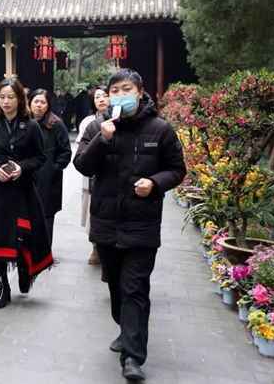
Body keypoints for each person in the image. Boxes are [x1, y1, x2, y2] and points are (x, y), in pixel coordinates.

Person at [73, 69, 186, 381]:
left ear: (140, 92)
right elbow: (82, 164)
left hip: (142, 224)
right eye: (115, 90)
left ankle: (133, 357)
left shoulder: (161, 129)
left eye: (127, 89)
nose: (121, 94)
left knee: (135, 288)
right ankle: (126, 328)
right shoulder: (97, 126)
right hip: (107, 224)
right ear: (108, 96)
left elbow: (177, 170)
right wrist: (102, 138)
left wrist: (154, 182)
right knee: (116, 289)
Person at [0, 78, 52, 309]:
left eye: (11, 97)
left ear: (20, 99)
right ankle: (3, 286)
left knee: (24, 236)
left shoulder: (32, 126)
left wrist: (21, 168)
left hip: (23, 189)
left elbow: (40, 157)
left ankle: (25, 270)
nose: (6, 101)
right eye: (2, 97)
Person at [28, 88, 72, 245]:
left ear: (48, 105)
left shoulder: (55, 124)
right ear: (29, 102)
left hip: (47, 180)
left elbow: (66, 152)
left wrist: (54, 169)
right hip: (26, 177)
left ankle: (44, 252)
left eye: (43, 102)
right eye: (36, 101)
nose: (38, 105)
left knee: (46, 216)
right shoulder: (23, 122)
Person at [76, 86, 110, 265]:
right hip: (90, 174)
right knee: (91, 212)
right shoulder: (88, 122)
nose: (101, 99)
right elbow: (82, 149)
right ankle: (95, 247)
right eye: (97, 97)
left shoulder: (119, 119)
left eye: (105, 95)